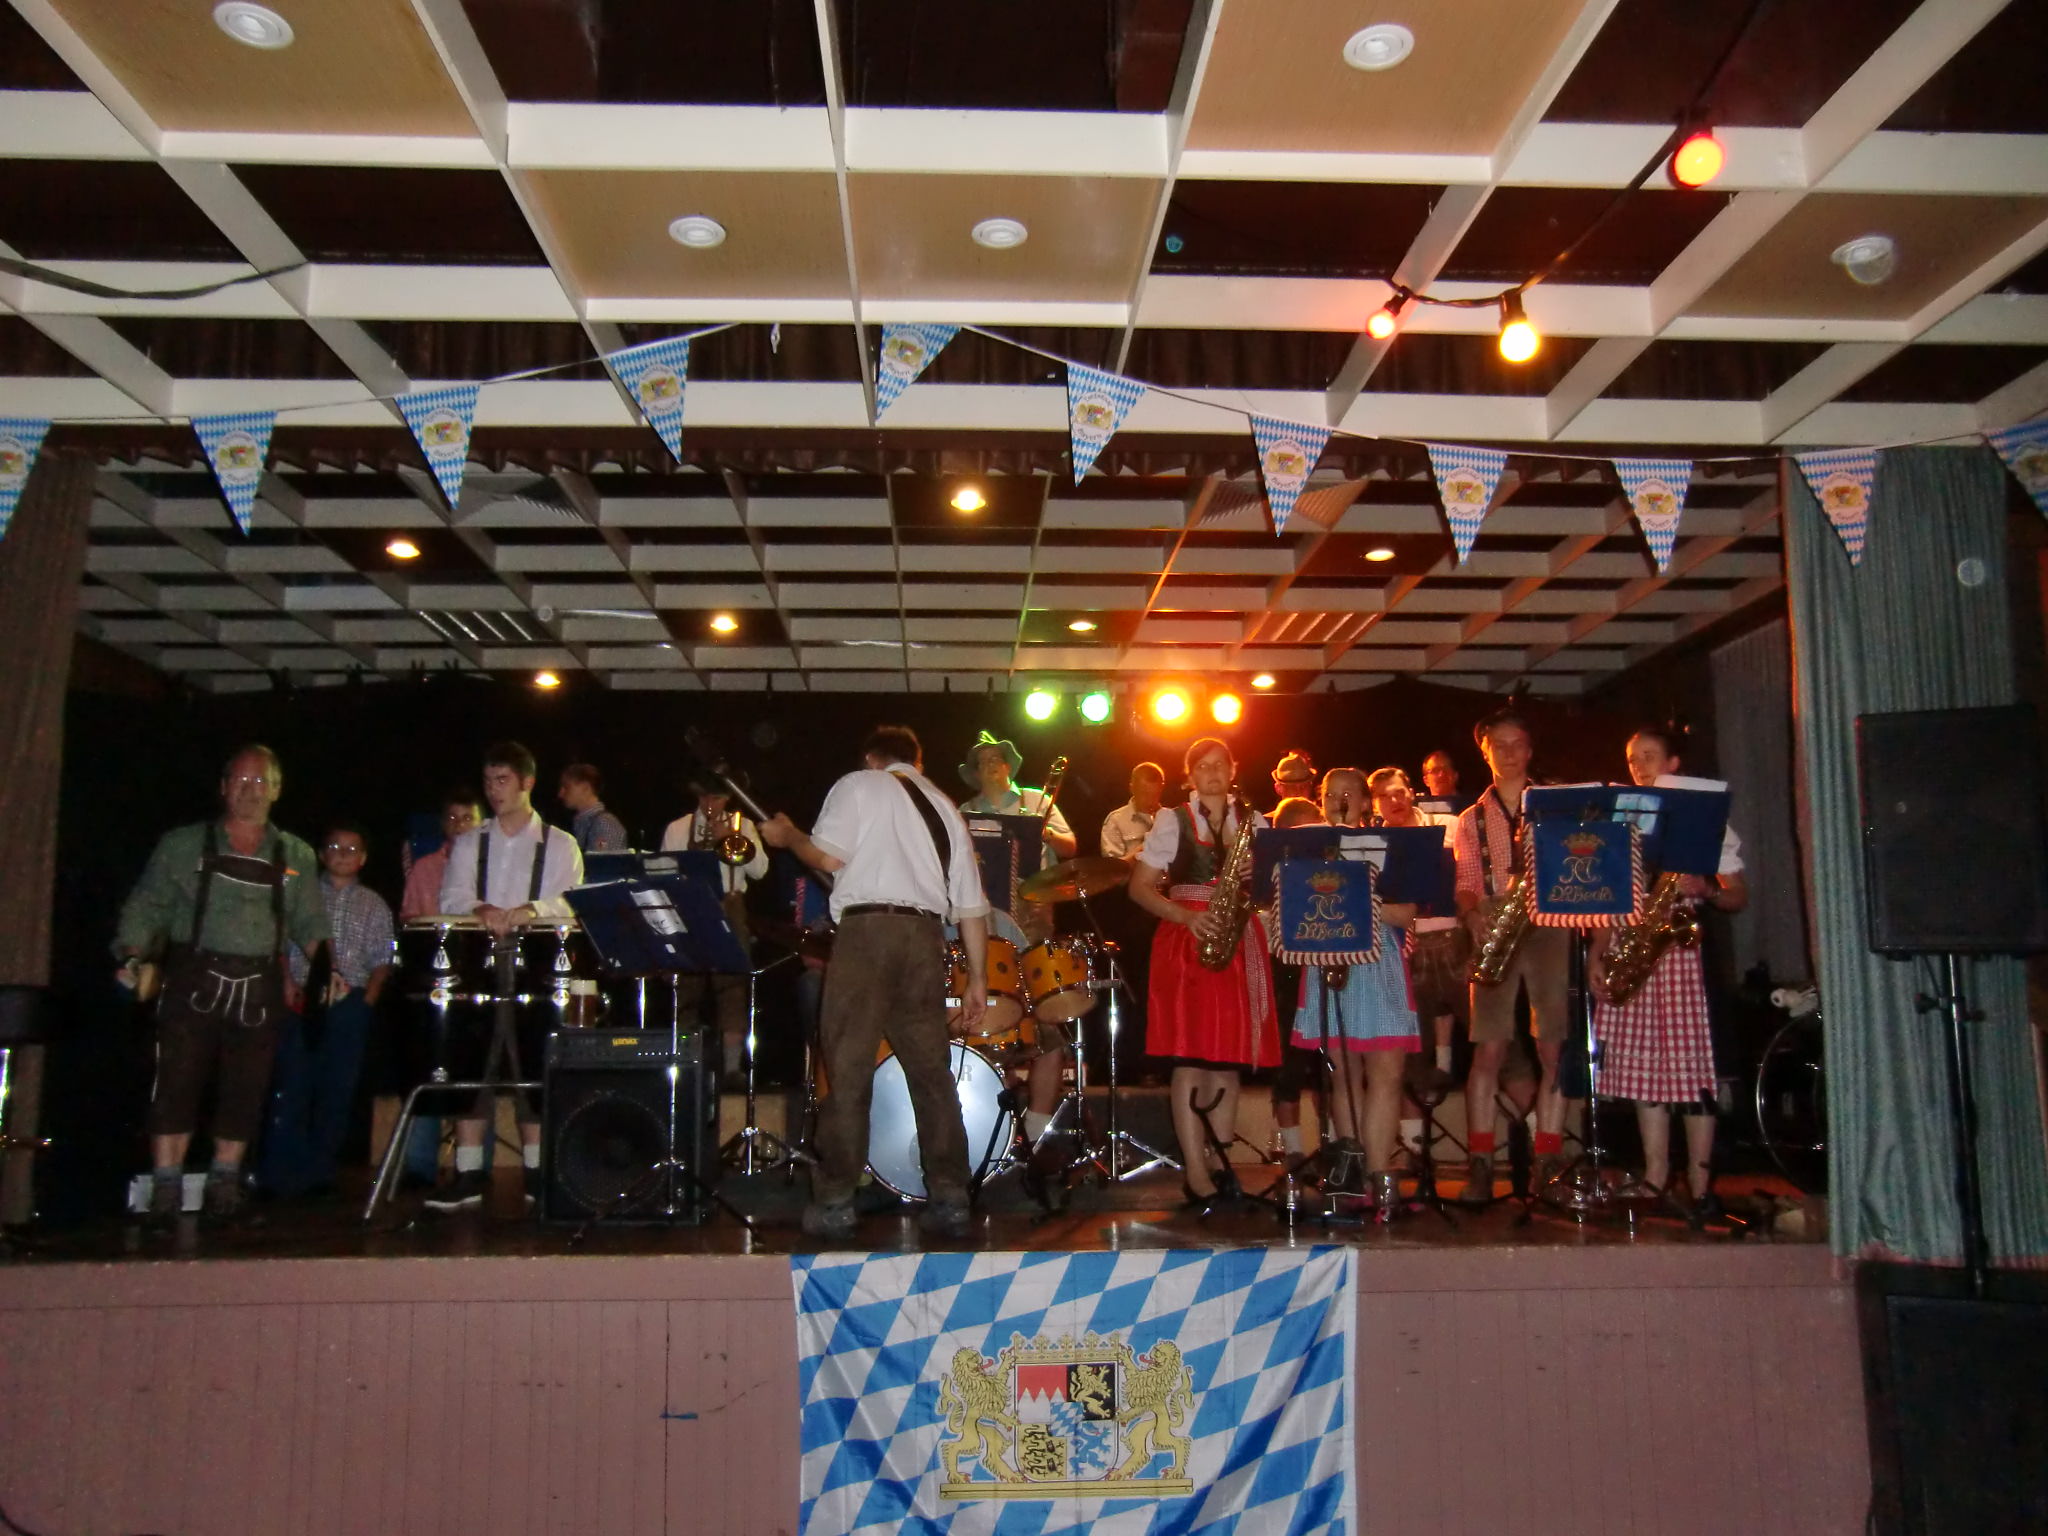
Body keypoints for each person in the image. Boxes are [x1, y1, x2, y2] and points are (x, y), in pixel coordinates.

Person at [761, 725, 990, 1240]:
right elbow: (972, 907)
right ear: (918, 762)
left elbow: (827, 858)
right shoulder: (945, 808)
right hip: (924, 940)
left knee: (849, 1071)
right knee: (931, 1074)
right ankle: (951, 1196)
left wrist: (788, 836)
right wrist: (977, 978)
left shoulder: (860, 784)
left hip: (867, 934)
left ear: (872, 758)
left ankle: (836, 1200)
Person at [113, 745, 329, 1221]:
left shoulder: (296, 854)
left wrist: (329, 972)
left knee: (247, 1086)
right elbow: (146, 905)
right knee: (176, 1080)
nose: (251, 791)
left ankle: (225, 1184)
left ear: (277, 789)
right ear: (224, 786)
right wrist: (131, 956)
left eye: (261, 781)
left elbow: (310, 923)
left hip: (260, 983)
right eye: (242, 781)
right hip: (193, 976)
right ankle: (166, 1186)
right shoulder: (182, 845)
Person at [1589, 725, 1748, 1207]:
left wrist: (1708, 889)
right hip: (1633, 944)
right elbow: (1607, 900)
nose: (1640, 766)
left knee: (1695, 1068)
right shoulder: (1621, 821)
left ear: (1674, 763)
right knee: (1643, 1069)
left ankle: (1700, 1184)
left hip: (1683, 952)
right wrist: (1598, 952)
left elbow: (1738, 896)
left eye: (1650, 756)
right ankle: (1655, 1174)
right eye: (1633, 759)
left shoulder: (1704, 818)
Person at [425, 741, 584, 1213]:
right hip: (477, 964)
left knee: (532, 1067)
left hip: (536, 966)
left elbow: (573, 900)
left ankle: (538, 1172)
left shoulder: (560, 843)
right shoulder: (471, 842)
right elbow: (451, 896)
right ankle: (469, 1172)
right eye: (488, 781)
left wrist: (532, 910)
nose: (493, 791)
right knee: (473, 1066)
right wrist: (481, 909)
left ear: (527, 782)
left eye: (502, 780)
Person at [1127, 737, 1280, 1210]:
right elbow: (1139, 889)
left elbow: (1274, 889)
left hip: (1239, 937)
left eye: (1220, 765)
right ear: (1189, 775)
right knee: (1190, 1058)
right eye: (1202, 766)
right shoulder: (1172, 820)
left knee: (1228, 1059)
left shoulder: (1255, 820)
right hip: (1188, 940)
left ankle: (1220, 1162)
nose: (1212, 773)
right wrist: (1185, 917)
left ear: (1233, 770)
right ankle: (1195, 1171)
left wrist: (1262, 878)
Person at [1453, 707, 1574, 1204]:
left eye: (1516, 743)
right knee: (1489, 1050)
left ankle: (1548, 1162)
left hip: (1549, 923)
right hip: (1495, 922)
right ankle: (1481, 1163)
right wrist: (1471, 915)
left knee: (1552, 1048)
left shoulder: (1557, 806)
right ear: (1484, 751)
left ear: (1530, 749)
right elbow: (1465, 882)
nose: (1508, 753)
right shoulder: (1470, 818)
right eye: (1498, 745)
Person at [1293, 769, 1420, 1210]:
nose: (1339, 800)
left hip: (1379, 959)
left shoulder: (1390, 845)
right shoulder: (1307, 849)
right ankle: (1350, 1173)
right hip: (1327, 957)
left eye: (1349, 793)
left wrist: (1360, 897)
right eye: (1331, 794)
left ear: (1366, 802)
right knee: (1343, 1073)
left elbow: (1407, 913)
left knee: (1387, 1071)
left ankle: (1380, 1175)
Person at [958, 732, 1076, 1164]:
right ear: (975, 772)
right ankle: (994, 1127)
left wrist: (1044, 830)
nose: (991, 764)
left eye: (998, 758)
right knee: (988, 1027)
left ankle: (1037, 1131)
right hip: (980, 923)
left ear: (1010, 765)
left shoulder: (1036, 800)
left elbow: (1070, 847)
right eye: (983, 760)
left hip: (1032, 918)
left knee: (1047, 1025)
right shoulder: (963, 812)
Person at [261, 820, 395, 1200]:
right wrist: (287, 982)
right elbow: (280, 944)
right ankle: (279, 1174)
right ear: (321, 854)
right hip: (301, 999)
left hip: (349, 1003)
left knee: (337, 1088)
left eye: (351, 849)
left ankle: (320, 1173)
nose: (342, 855)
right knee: (293, 1083)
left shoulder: (374, 903)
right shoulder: (301, 896)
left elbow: (383, 959)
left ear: (363, 858)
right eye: (335, 847)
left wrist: (366, 1000)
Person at [662, 776, 771, 1082]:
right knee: (686, 986)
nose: (710, 805)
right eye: (705, 798)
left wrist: (731, 838)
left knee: (733, 985)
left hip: (730, 904)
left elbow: (760, 870)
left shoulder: (743, 825)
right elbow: (664, 873)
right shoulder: (677, 828)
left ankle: (732, 1068)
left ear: (727, 799)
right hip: (689, 906)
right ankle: (683, 1062)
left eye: (717, 798)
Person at [1368, 765, 1463, 1104]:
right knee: (1412, 1049)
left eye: (1399, 793)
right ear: (1374, 804)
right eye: (1384, 797)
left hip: (1453, 937)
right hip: (1405, 944)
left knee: (1489, 1037)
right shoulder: (1373, 842)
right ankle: (1414, 1130)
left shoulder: (1448, 824)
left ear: (1412, 793)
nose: (1394, 801)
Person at [1265, 794, 1326, 1164]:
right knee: (1289, 1064)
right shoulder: (1272, 870)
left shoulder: (1331, 865)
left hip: (1325, 963)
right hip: (1287, 967)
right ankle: (1293, 1153)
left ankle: (1333, 1147)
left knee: (1326, 1068)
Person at [400, 789, 483, 922]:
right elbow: (409, 917)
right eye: (452, 818)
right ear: (443, 823)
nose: (459, 824)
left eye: (467, 818)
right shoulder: (424, 868)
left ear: (481, 824)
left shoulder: (492, 864)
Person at [1099, 762, 1166, 862]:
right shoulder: (1116, 821)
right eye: (1145, 794)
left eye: (1155, 795)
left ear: (1161, 788)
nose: (1150, 801)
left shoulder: (1171, 819)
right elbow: (1114, 868)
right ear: (1132, 789)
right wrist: (1146, 847)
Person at [558, 763, 628, 854]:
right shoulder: (581, 822)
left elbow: (604, 862)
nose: (560, 793)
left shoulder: (604, 824)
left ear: (585, 788)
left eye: (567, 787)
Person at [1417, 750, 1472, 818]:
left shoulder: (1472, 807)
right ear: (1426, 781)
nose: (1441, 774)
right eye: (1435, 770)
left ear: (1455, 775)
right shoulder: (1420, 813)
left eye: (1446, 769)